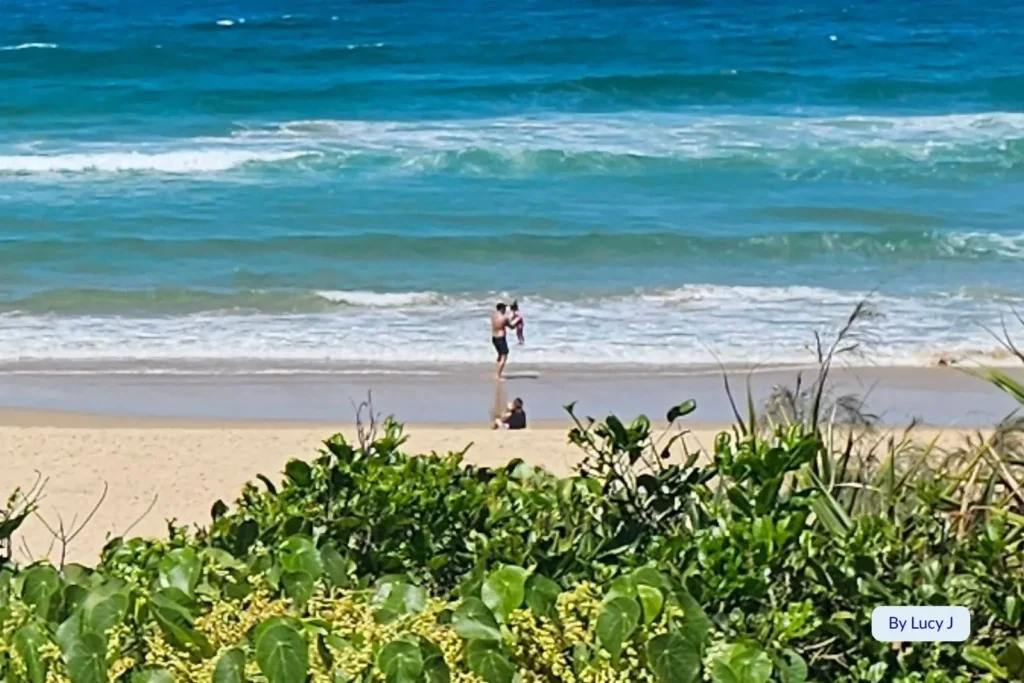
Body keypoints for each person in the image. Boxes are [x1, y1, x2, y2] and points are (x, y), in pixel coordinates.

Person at [490, 302, 512, 379]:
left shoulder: (493, 316)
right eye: (505, 309)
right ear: (502, 309)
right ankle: (498, 375)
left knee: (499, 355)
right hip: (501, 338)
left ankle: (496, 372)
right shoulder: (504, 318)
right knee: (504, 356)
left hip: (494, 338)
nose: (505, 310)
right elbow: (512, 326)